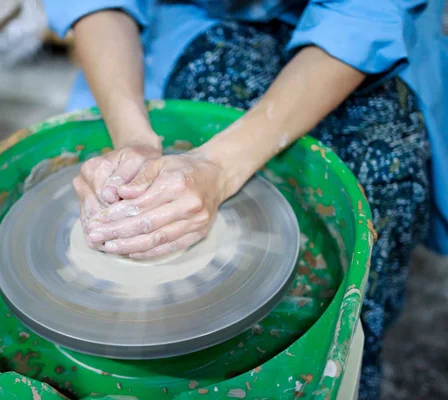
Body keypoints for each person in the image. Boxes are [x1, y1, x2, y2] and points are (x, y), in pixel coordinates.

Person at [44, 1, 448, 399]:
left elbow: (364, 15)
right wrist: (133, 137)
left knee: (381, 174)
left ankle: (353, 365)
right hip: (196, 12)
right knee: (205, 101)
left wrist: (218, 167)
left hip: (361, 25)